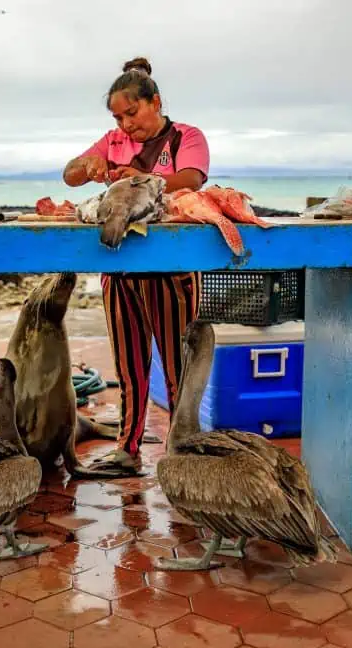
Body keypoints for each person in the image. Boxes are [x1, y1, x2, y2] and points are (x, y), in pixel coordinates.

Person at [63, 56, 209, 478]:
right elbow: (70, 175)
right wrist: (87, 167)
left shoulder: (185, 137)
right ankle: (127, 450)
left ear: (154, 102)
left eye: (132, 113)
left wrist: (139, 177)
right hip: (119, 270)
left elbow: (192, 179)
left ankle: (183, 452)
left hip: (171, 274)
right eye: (118, 117)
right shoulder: (112, 141)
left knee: (179, 368)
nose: (126, 125)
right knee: (129, 367)